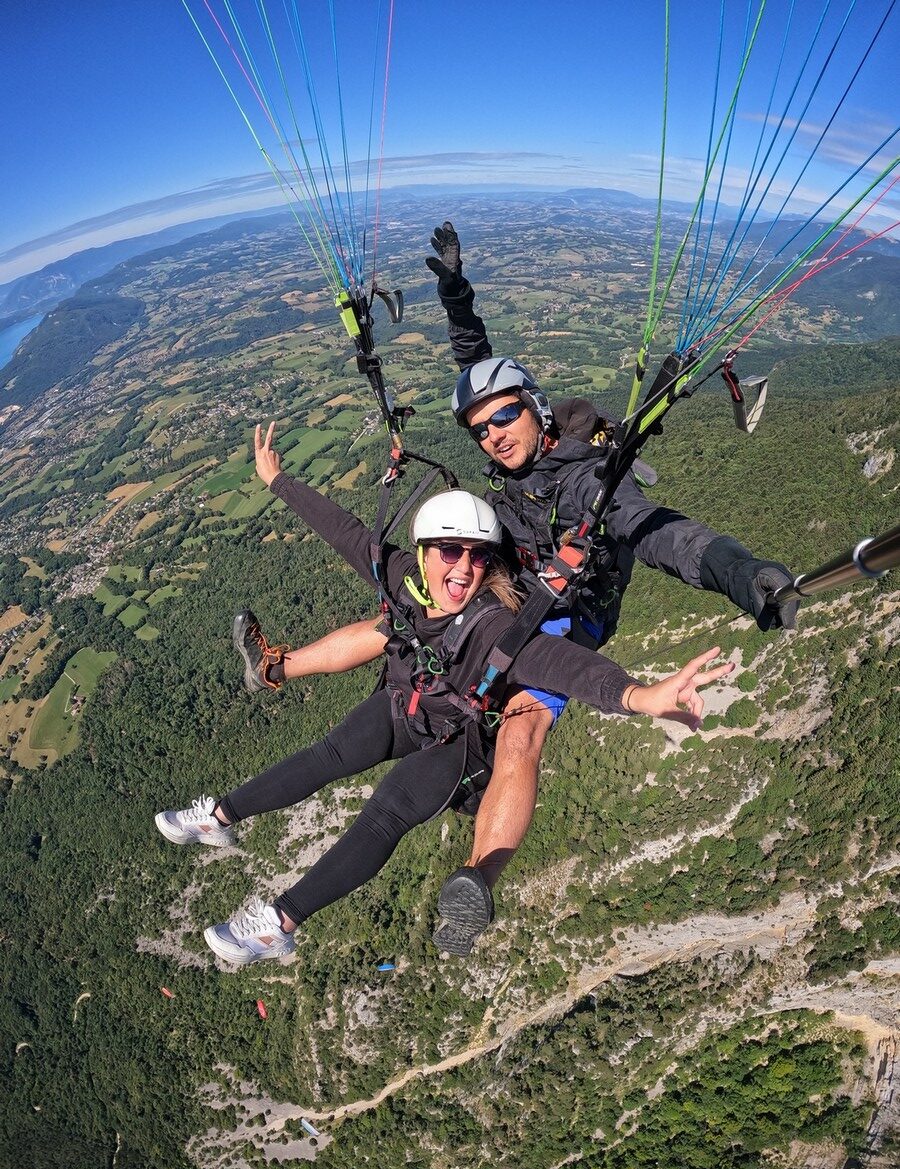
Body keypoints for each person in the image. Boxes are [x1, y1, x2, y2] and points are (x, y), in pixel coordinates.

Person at [234, 222, 796, 955]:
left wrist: (742, 574)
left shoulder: (596, 483)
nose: (494, 434)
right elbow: (476, 362)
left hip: (561, 623)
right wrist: (453, 291)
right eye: (481, 429)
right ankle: (272, 668)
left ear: (535, 407)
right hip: (501, 592)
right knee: (402, 611)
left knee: (523, 729)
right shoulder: (509, 453)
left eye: (506, 417)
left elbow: (670, 537)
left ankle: (477, 884)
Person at [156, 424, 733, 966]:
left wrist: (641, 696)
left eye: (479, 556)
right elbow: (346, 533)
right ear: (425, 552)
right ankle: (219, 816)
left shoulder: (492, 626)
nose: (465, 569)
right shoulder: (405, 581)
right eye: (451, 553)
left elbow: (567, 666)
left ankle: (277, 925)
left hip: (458, 739)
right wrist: (277, 480)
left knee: (383, 814)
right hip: (410, 702)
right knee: (328, 754)